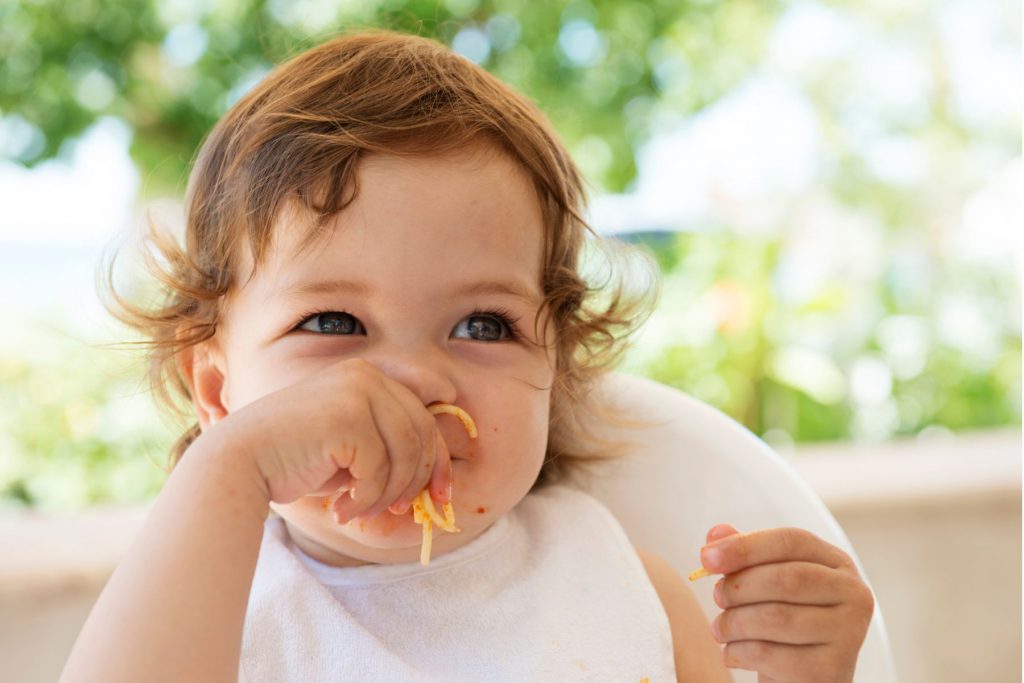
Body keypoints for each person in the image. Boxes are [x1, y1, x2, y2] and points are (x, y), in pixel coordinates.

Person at [62, 31, 874, 682]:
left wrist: (810, 673)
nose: (414, 377)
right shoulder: (198, 603)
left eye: (484, 326)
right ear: (216, 390)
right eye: (335, 320)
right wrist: (229, 468)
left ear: (552, 370)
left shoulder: (634, 595)